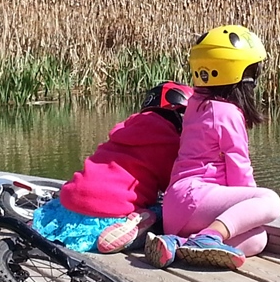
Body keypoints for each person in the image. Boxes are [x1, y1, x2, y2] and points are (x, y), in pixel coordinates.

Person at [144, 25, 280, 270]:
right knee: (270, 201)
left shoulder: (196, 104)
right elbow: (239, 167)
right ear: (235, 71)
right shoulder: (226, 112)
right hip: (196, 199)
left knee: (257, 239)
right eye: (252, 71)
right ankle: (209, 237)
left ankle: (179, 243)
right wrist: (249, 205)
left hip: (177, 209)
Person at [33, 81, 193, 253]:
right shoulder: (170, 141)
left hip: (71, 200)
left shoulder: (124, 130)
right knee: (164, 214)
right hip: (113, 209)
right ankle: (135, 224)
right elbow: (172, 184)